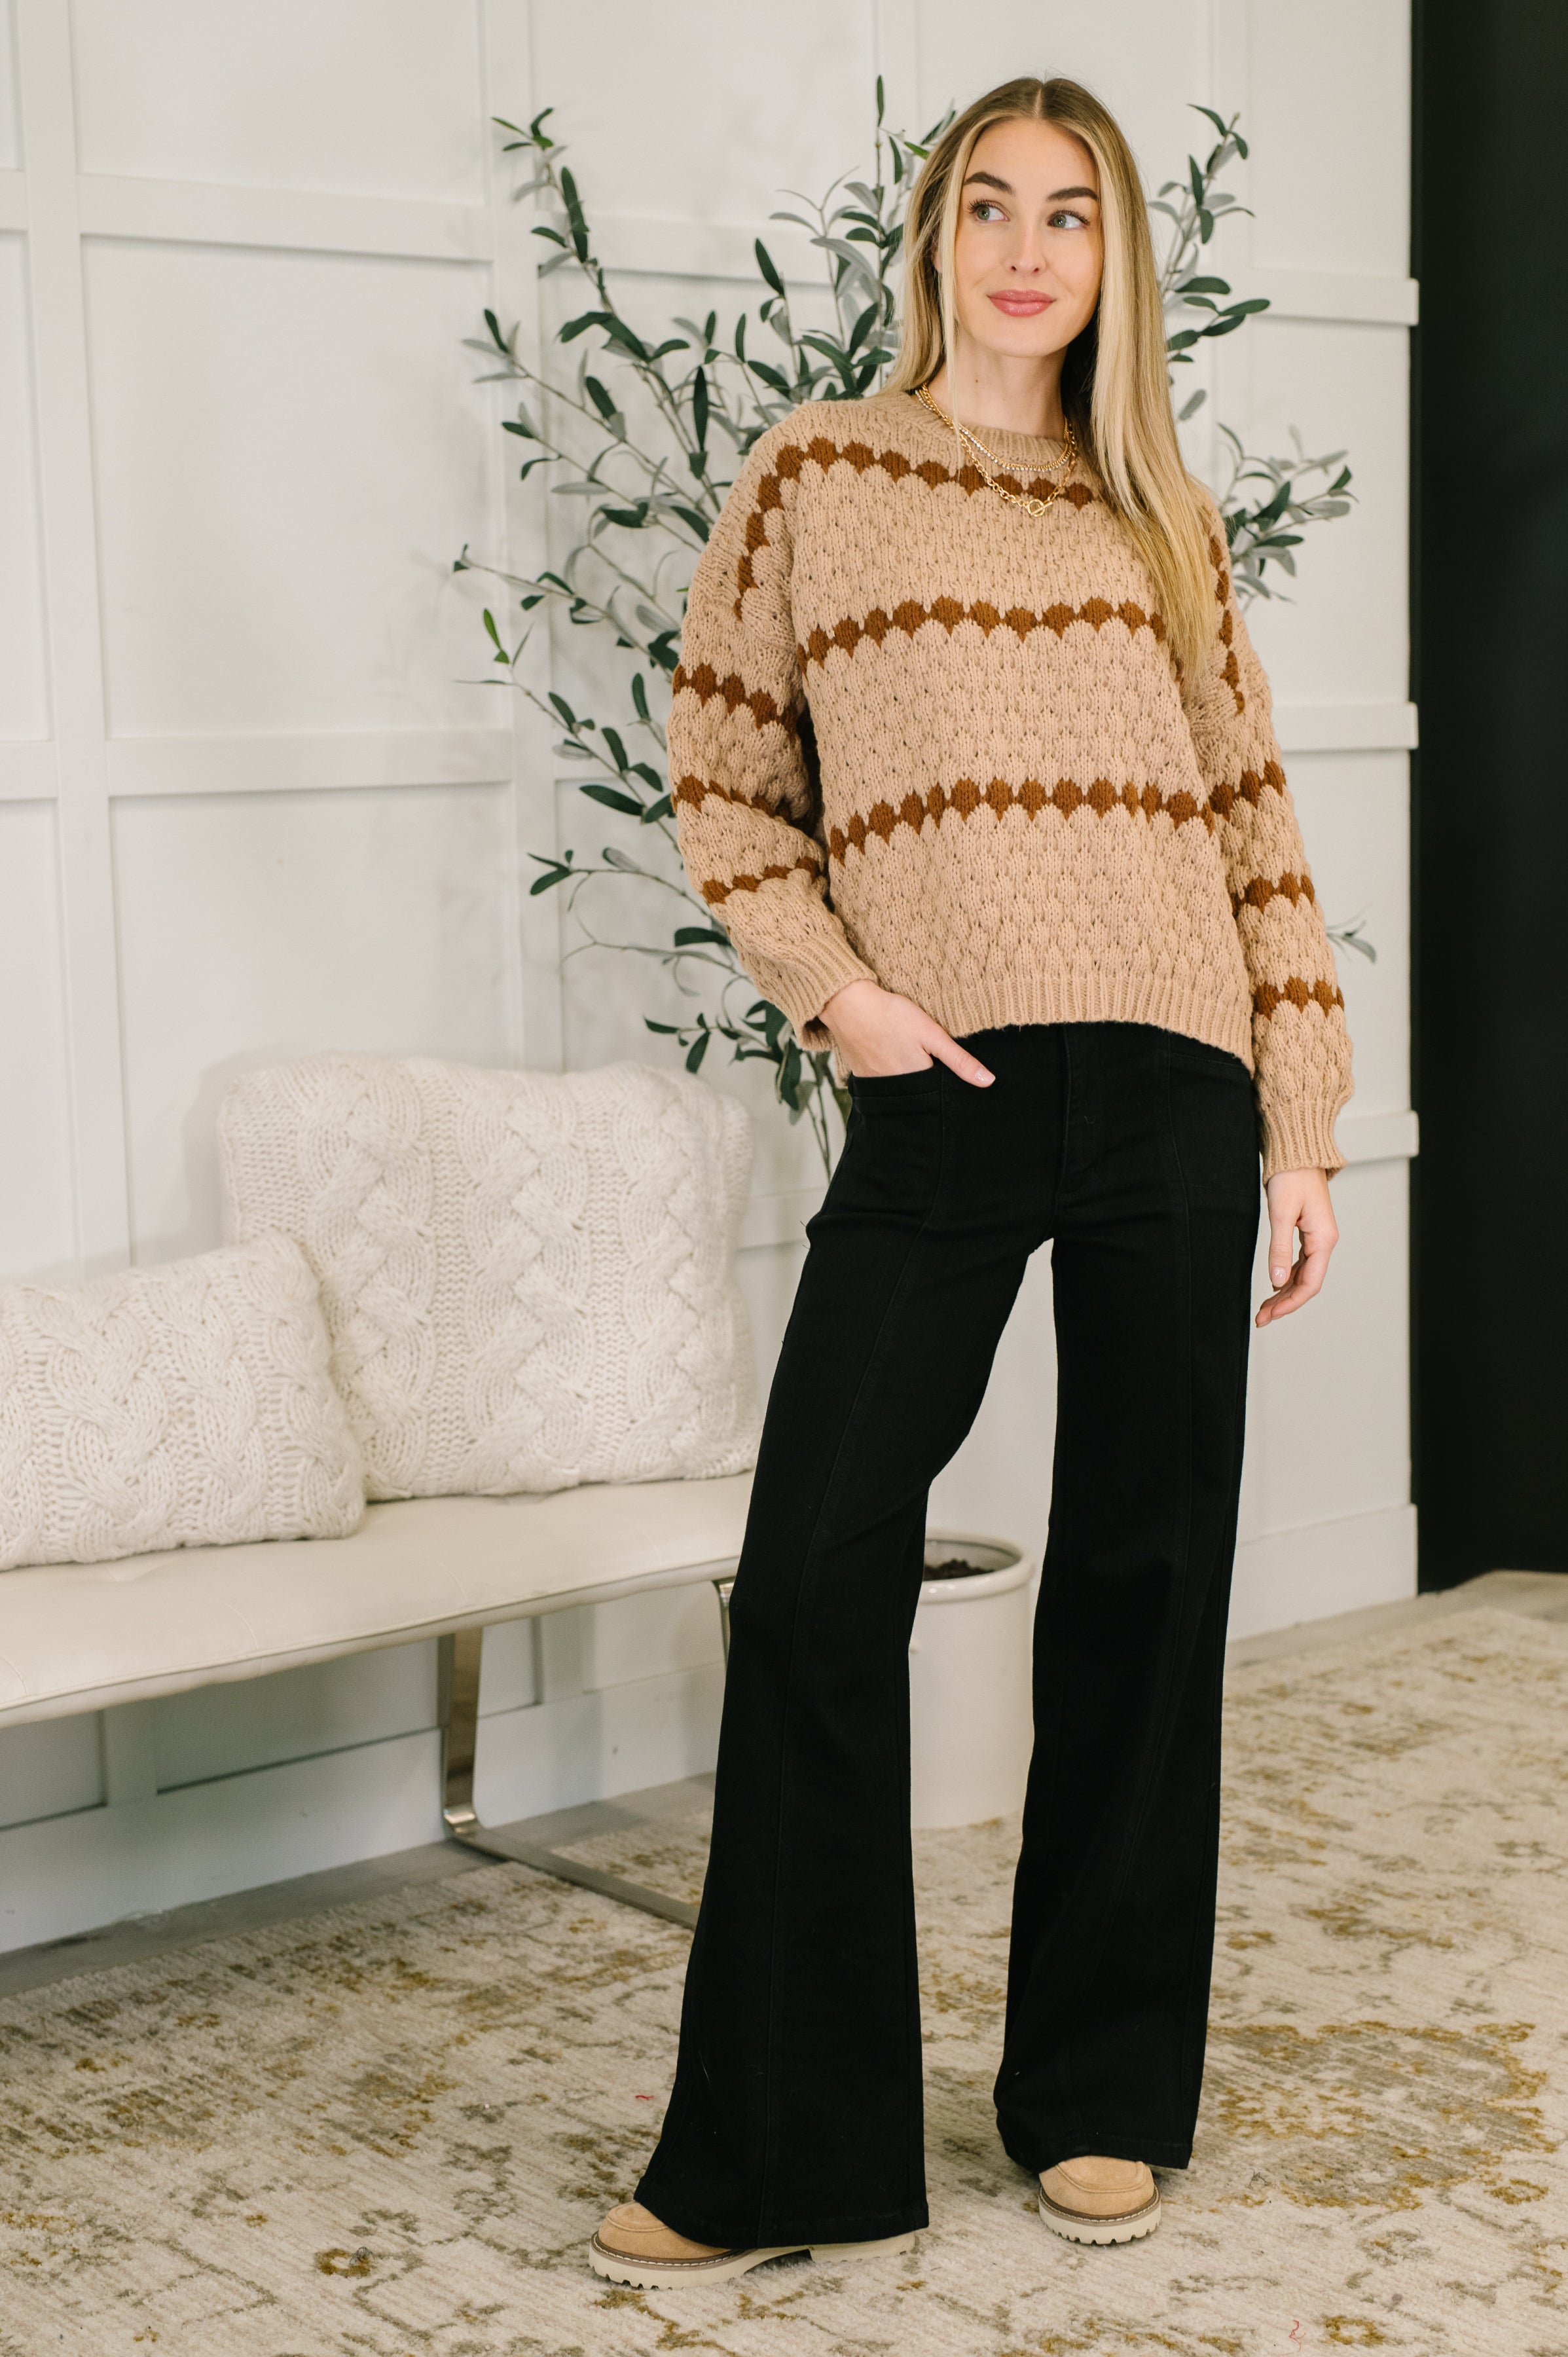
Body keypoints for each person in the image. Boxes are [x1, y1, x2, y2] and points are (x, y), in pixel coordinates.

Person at [590, 72, 1352, 2287]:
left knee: (1140, 1584)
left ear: (1121, 260)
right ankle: (768, 2149)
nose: (1026, 248)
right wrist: (838, 993)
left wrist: (1297, 1113)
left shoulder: (1159, 519)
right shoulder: (821, 472)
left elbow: (1256, 831)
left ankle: (1099, 2092)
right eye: (988, 207)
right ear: (932, 238)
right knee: (815, 1571)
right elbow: (723, 774)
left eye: (1072, 216)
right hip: (941, 1075)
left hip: (1176, 1081)